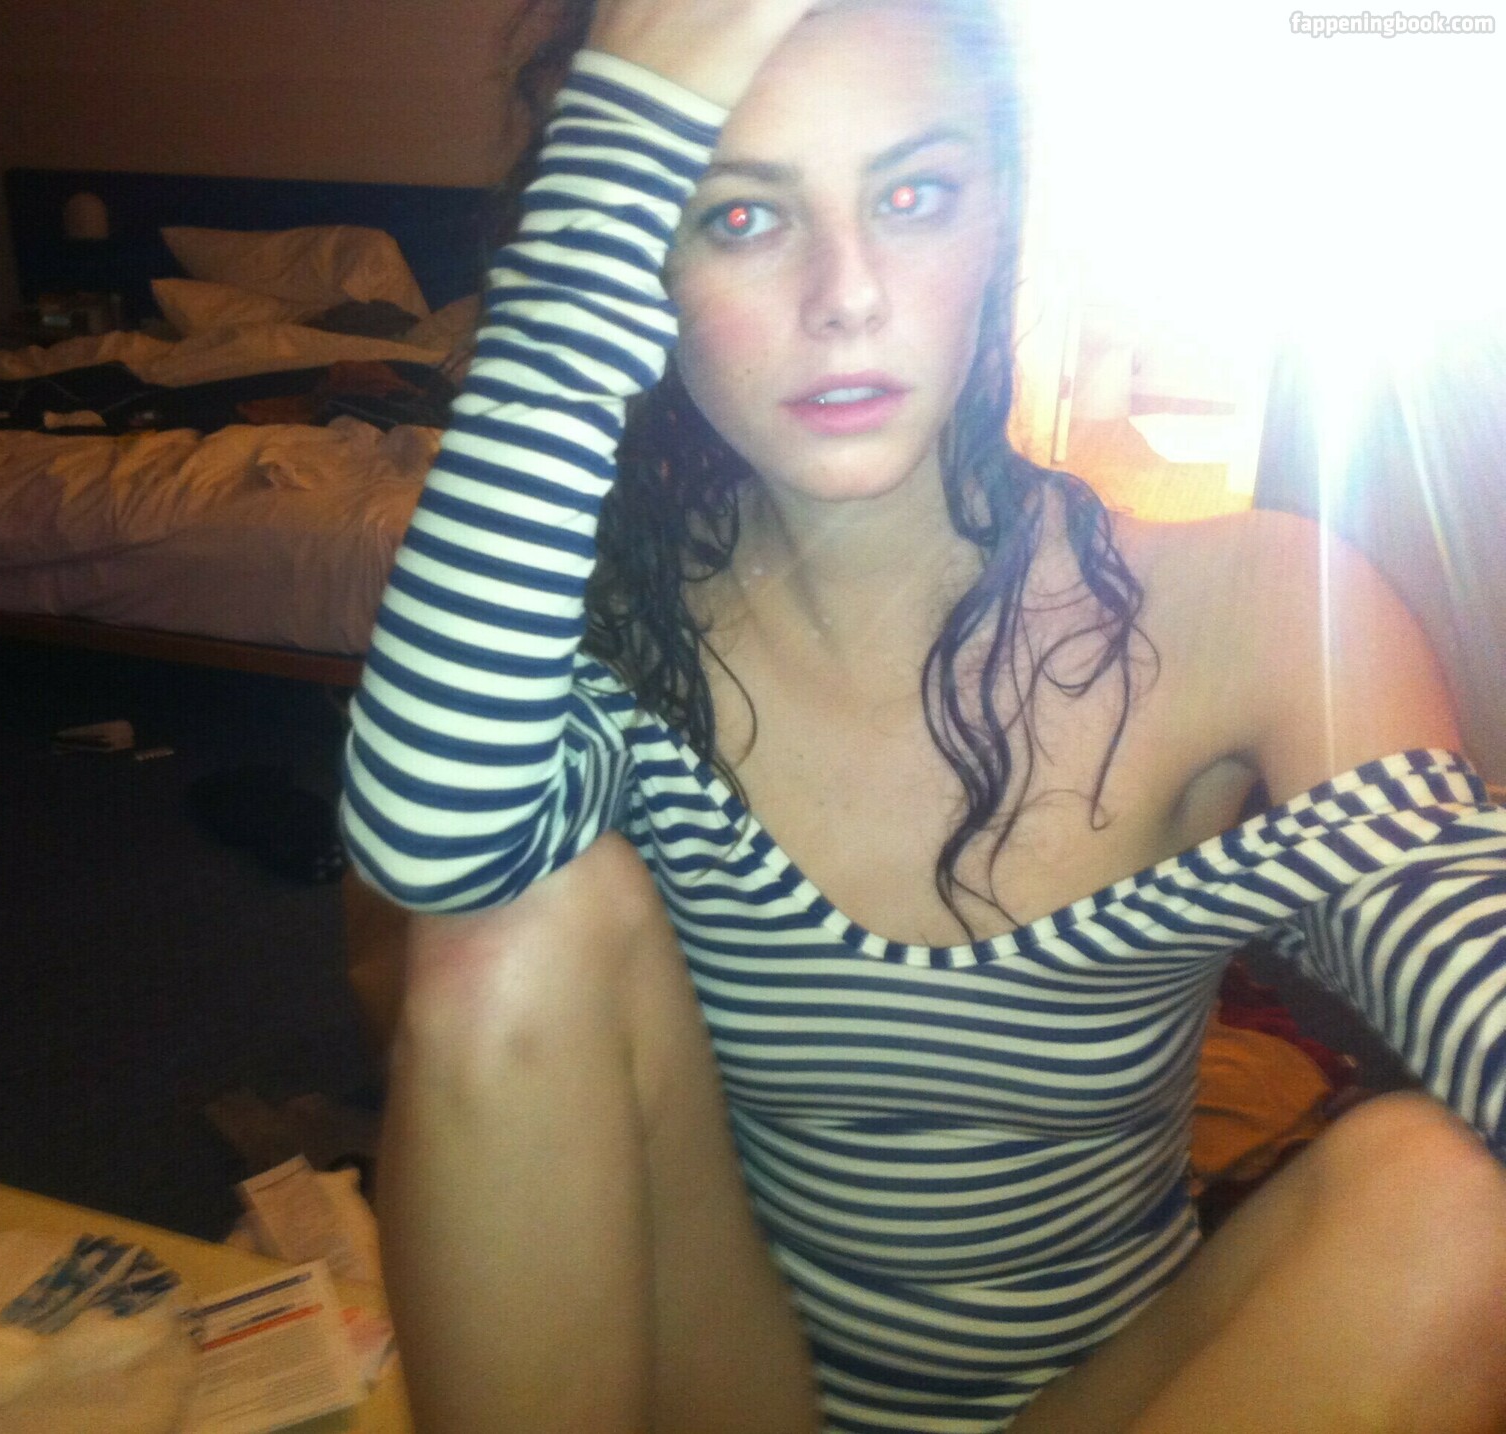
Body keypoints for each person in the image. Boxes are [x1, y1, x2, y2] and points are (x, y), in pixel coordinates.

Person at [338, 1, 1506, 1429]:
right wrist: (609, 150)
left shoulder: (1256, 606)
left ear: (1000, 217)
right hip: (742, 1383)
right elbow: (434, 852)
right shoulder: (609, 628)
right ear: (643, 257)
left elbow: (1465, 951)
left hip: (1112, 1398)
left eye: (913, 197)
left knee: (1447, 1204)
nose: (847, 296)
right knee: (511, 931)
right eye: (741, 217)